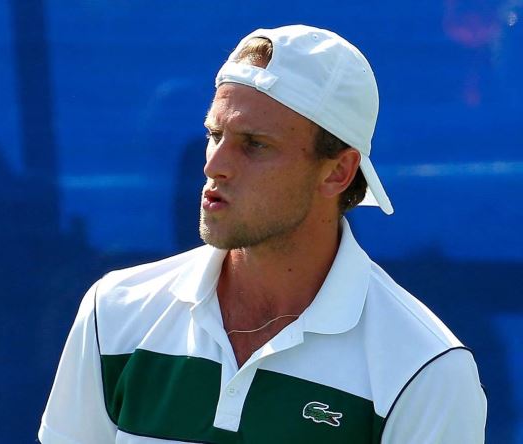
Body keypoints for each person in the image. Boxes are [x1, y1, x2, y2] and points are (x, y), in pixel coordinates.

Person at [38, 25, 487, 443]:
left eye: (255, 144)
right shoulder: (113, 311)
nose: (214, 165)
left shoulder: (426, 370)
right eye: (215, 134)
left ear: (338, 171)